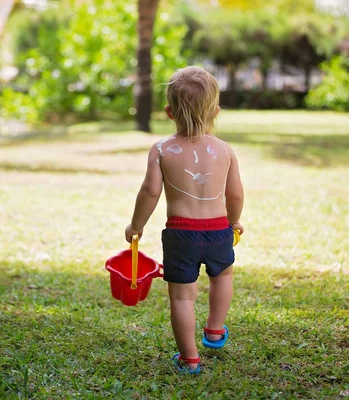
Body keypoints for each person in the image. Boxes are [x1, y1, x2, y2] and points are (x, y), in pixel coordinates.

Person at [125, 66, 244, 374]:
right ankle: (215, 330)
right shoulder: (224, 150)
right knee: (224, 277)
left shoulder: (162, 150)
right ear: (216, 111)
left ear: (168, 112)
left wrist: (136, 226)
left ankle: (189, 359)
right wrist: (235, 221)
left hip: (181, 235)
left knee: (182, 296)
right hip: (219, 230)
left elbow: (150, 192)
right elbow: (235, 195)